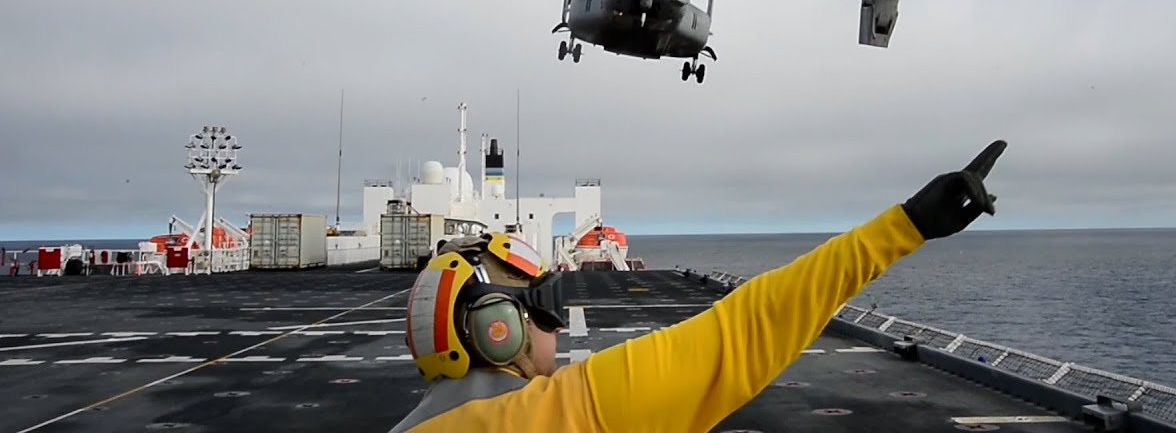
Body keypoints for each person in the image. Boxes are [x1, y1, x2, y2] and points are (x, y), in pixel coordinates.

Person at [389, 140, 1008, 432]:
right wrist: (906, 227)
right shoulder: (567, 414)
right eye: (544, 308)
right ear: (497, 331)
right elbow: (750, 327)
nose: (555, 325)